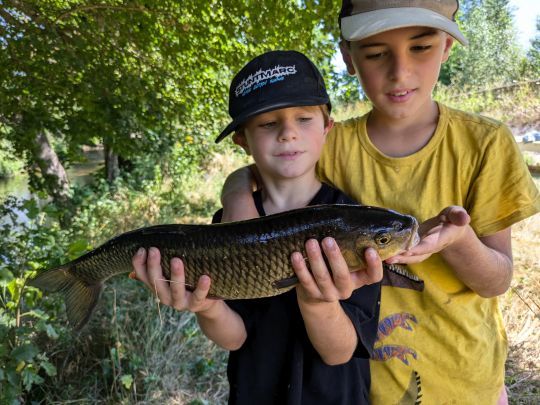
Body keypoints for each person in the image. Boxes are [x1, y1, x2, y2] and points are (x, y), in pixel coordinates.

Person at [218, 1, 540, 404]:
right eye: (376, 53)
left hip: (465, 380)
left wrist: (460, 241)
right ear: (348, 57)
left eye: (420, 47)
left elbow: (498, 281)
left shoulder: (487, 144)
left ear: (446, 48)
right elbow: (258, 167)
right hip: (367, 387)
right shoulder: (330, 144)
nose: (400, 71)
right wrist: (240, 215)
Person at [131, 50, 384, 404]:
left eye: (304, 118)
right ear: (242, 140)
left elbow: (339, 353)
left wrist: (317, 302)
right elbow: (234, 338)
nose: (288, 133)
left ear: (328, 127)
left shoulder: (354, 223)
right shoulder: (227, 225)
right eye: (267, 124)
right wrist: (206, 306)